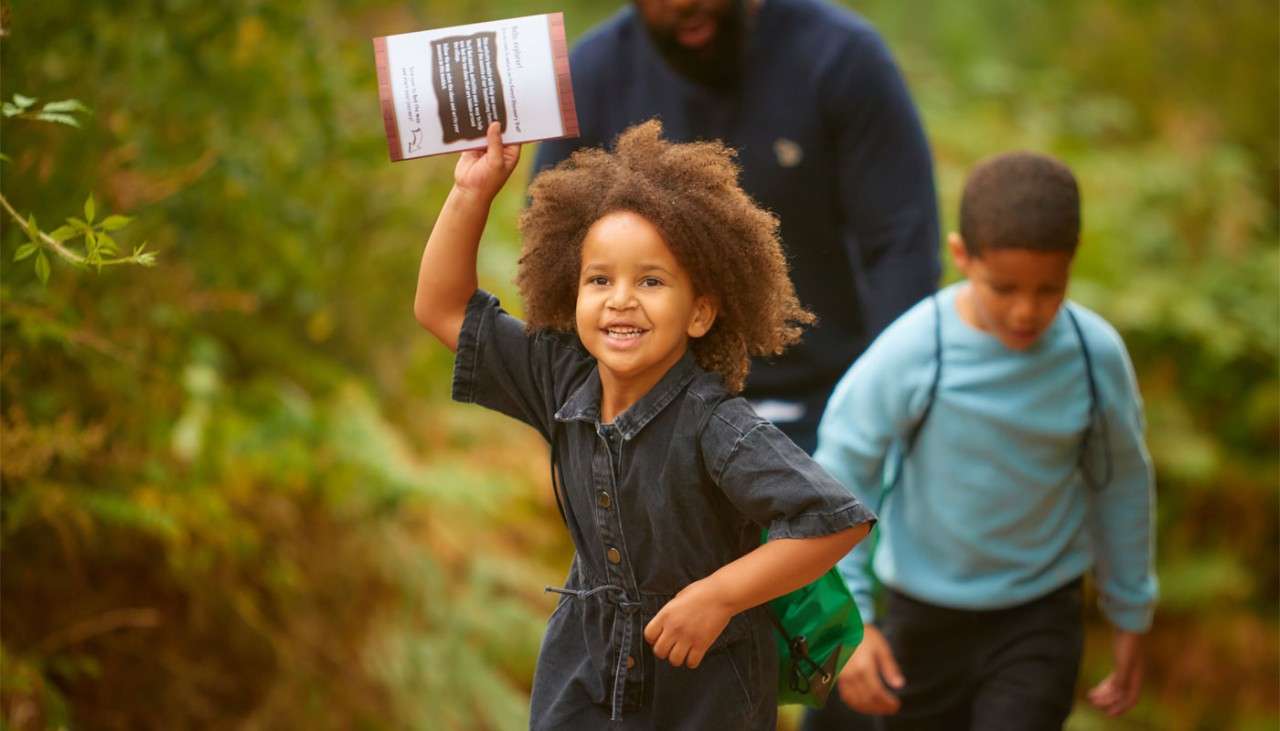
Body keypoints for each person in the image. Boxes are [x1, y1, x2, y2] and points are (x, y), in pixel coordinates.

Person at [412, 119, 875, 729]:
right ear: (569, 290)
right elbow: (442, 307)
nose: (620, 299)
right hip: (584, 674)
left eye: (651, 281)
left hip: (704, 688)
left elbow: (832, 522)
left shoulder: (717, 424)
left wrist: (720, 596)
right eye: (598, 279)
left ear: (701, 312)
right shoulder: (560, 377)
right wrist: (471, 191)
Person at [810, 151, 1158, 730]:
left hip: (1039, 614)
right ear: (961, 256)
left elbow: (1121, 484)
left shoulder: (1094, 358)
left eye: (1050, 289)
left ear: (1071, 263)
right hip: (923, 618)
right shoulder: (917, 351)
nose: (1026, 311)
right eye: (1004, 288)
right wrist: (849, 622)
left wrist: (1130, 613)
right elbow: (837, 479)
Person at [534, 0, 940, 454]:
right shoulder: (592, 76)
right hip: (655, 417)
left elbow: (900, 245)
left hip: (825, 410)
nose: (684, 3)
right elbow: (557, 264)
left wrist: (881, 404)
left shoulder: (841, 58)